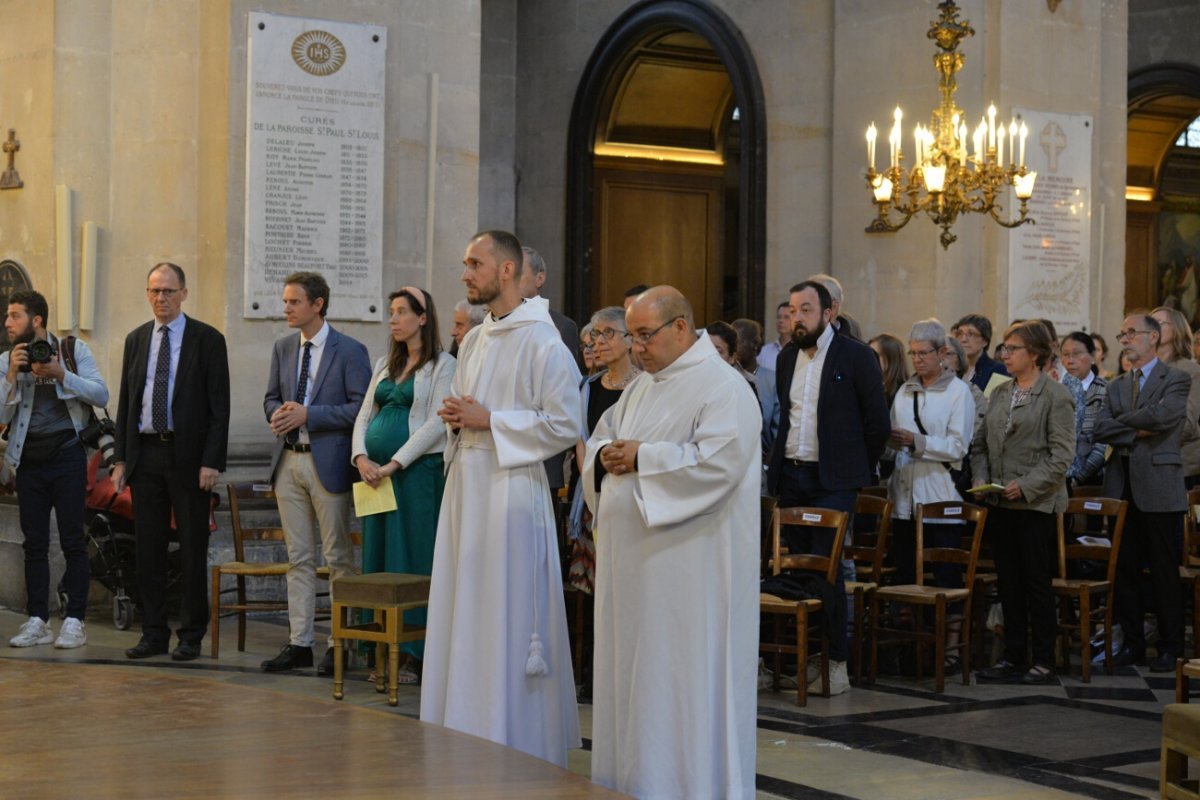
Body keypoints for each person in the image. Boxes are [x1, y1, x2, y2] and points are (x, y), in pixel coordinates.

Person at [583, 286, 759, 800]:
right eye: (632, 337)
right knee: (633, 681)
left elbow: (717, 465)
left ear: (680, 327)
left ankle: (687, 787)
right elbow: (602, 438)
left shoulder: (723, 388)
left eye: (644, 335)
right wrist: (608, 455)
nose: (636, 348)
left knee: (679, 683)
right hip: (635, 566)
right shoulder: (643, 387)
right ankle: (633, 784)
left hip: (690, 568)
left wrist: (644, 458)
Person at [420, 230, 582, 767]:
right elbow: (471, 410)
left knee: (504, 612)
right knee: (465, 606)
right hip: (467, 486)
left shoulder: (543, 340)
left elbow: (564, 424)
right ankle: (464, 724)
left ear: (506, 270)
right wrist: (457, 417)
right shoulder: (475, 339)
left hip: (511, 490)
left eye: (474, 263)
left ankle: (512, 735)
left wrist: (490, 421)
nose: (465, 273)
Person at [766, 279, 890, 696]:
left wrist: (853, 466)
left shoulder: (855, 357)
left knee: (827, 568)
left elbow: (877, 424)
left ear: (829, 311)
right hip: (793, 474)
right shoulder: (786, 358)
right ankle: (793, 659)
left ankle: (835, 661)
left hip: (834, 480)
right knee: (794, 569)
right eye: (792, 310)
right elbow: (787, 417)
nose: (796, 318)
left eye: (806, 310)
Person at [113, 263, 230, 661]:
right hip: (146, 456)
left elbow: (220, 407)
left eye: (167, 291)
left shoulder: (208, 340)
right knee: (148, 549)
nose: (160, 299)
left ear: (184, 293)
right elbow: (127, 402)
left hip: (189, 458)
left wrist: (211, 461)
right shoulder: (136, 339)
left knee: (193, 548)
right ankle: (153, 632)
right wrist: (121, 458)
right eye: (153, 291)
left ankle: (192, 635)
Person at [260, 272, 371, 676]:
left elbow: (361, 408)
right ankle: (299, 642)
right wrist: (277, 413)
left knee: (338, 556)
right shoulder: (283, 347)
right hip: (288, 460)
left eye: (294, 302)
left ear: (317, 304)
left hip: (329, 461)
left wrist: (311, 415)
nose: (286, 308)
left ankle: (340, 643)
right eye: (285, 302)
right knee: (299, 558)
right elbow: (271, 396)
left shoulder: (350, 350)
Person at [352, 286, 455, 684]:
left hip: (416, 476)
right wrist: (361, 458)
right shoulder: (384, 363)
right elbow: (364, 415)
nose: (393, 319)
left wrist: (395, 463)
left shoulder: (443, 365)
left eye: (401, 312)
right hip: (374, 476)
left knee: (411, 557)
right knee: (377, 559)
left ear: (423, 317)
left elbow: (437, 422)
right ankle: (380, 647)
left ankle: (413, 654)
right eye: (391, 312)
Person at [0, 290, 109, 649]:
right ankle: (37, 621)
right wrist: (12, 377)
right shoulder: (6, 360)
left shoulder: (73, 351)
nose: (7, 322)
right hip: (27, 460)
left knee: (72, 540)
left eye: (14, 315)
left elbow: (100, 395)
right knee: (34, 543)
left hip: (67, 457)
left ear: (37, 321)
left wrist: (61, 374)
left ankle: (75, 620)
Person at [972, 321, 1075, 685]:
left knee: (1035, 582)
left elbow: (1062, 456)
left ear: (1034, 354)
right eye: (1003, 347)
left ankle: (1044, 658)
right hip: (1002, 502)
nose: (1004, 354)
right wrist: (982, 480)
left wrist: (1026, 486)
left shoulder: (1055, 395)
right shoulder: (1001, 392)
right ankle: (1014, 656)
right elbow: (981, 444)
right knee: (1009, 582)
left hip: (1035, 504)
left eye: (1012, 348)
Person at [1092, 314, 1189, 672]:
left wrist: (1126, 422)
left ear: (1154, 336)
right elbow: (1100, 428)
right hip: (1122, 485)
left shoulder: (1175, 379)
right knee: (1125, 571)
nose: (1125, 339)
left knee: (1164, 571)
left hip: (1160, 486)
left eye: (1132, 333)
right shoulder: (1116, 385)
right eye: (1122, 334)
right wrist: (1137, 428)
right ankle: (1132, 644)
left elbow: (1166, 418)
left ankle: (1170, 646)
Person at [884, 320, 974, 593]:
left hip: (940, 496)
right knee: (905, 575)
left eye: (923, 353)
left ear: (942, 352)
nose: (917, 359)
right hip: (904, 497)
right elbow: (893, 440)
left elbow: (959, 446)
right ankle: (910, 632)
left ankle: (947, 633)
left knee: (945, 577)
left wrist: (916, 441)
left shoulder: (958, 392)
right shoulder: (904, 390)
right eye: (913, 353)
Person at [520, 246, 579, 499]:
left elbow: (564, 396)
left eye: (518, 274)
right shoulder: (488, 327)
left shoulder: (561, 327)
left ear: (540, 278)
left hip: (543, 457)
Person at [1151, 306, 1200, 486]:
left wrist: (1146, 440)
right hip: (1144, 465)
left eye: (1158, 323)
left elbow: (1186, 423)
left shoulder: (1190, 370)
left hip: (1179, 464)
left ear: (1177, 329)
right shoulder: (1142, 370)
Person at [1059, 331, 1108, 488]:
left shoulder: (1105, 391)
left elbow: (1103, 444)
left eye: (1077, 354)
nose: (1070, 361)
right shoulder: (1055, 391)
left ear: (1093, 355)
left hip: (1093, 477)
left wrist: (1078, 477)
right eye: (1065, 355)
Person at [734, 317, 779, 457]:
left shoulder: (772, 380)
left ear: (754, 344)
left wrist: (767, 466)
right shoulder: (725, 376)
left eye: (738, 342)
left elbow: (780, 430)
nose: (733, 348)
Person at [953, 313, 1008, 392]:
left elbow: (992, 402)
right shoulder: (952, 369)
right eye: (960, 334)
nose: (963, 339)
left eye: (970, 334)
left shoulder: (998, 370)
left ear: (985, 341)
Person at [869, 333, 909, 409]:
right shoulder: (870, 385)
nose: (869, 359)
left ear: (891, 358)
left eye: (875, 355)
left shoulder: (903, 392)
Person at [758, 300, 791, 372]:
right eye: (779, 317)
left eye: (786, 317)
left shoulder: (802, 352)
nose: (781, 321)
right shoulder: (764, 351)